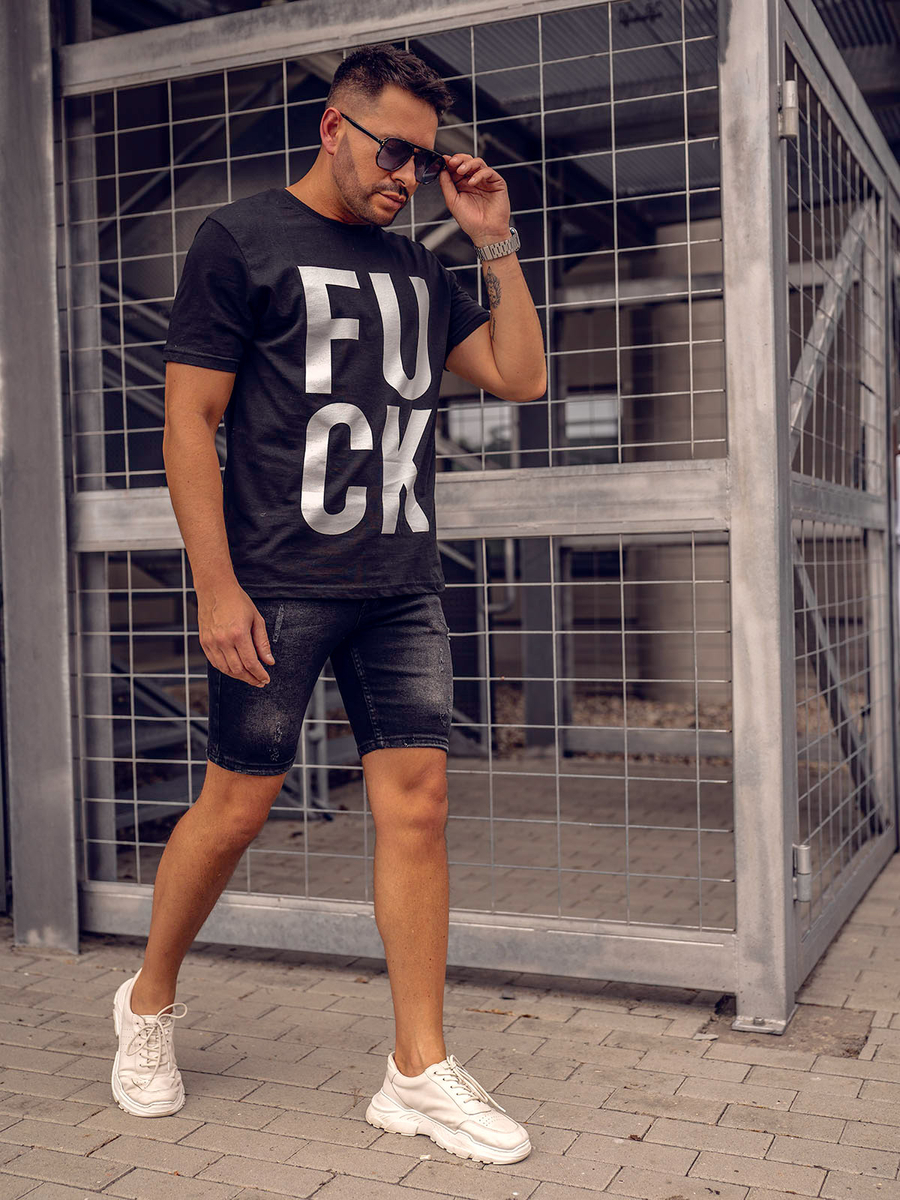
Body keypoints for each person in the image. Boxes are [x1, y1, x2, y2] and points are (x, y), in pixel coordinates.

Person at [109, 42, 546, 1166]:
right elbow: (189, 421)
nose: (408, 175)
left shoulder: (419, 266)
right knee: (236, 808)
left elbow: (521, 374)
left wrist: (492, 239)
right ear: (333, 128)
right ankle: (148, 1003)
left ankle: (416, 1071)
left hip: (398, 584)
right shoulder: (240, 239)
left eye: (424, 159)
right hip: (277, 581)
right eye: (393, 151)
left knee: (419, 805)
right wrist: (216, 587)